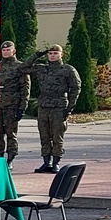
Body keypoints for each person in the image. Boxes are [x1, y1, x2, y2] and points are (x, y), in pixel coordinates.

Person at [19, 44, 82, 173]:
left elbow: (75, 88)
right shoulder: (42, 68)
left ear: (61, 55)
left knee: (57, 136)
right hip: (44, 105)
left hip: (59, 106)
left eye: (55, 53)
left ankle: (56, 162)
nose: (52, 55)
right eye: (50, 53)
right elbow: (23, 68)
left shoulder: (68, 70)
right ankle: (46, 162)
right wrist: (37, 55)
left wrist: (70, 107)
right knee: (44, 136)